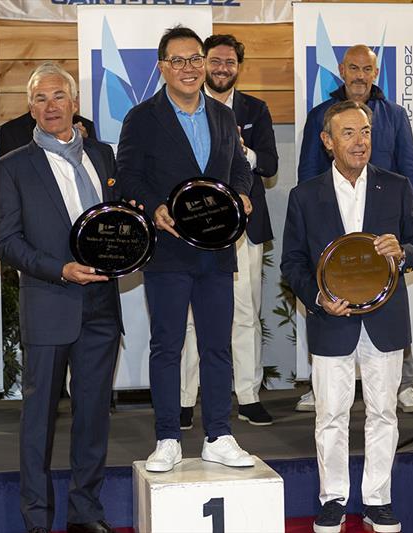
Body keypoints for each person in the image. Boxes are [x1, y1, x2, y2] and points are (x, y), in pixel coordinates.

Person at [281, 101, 413, 533]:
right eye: (348, 133)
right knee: (330, 413)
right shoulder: (305, 196)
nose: (360, 141)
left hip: (384, 320)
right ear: (327, 142)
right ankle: (334, 500)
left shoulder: (397, 186)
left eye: (364, 132)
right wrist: (318, 296)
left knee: (384, 412)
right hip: (332, 319)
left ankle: (378, 499)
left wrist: (403, 254)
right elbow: (292, 264)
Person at [117, 26, 255, 473]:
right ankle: (167, 438)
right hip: (168, 251)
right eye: (178, 60)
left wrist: (241, 195)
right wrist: (154, 207)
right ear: (162, 68)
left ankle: (219, 433)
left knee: (218, 346)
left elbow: (239, 169)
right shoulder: (141, 118)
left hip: (217, 250)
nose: (190, 68)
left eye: (195, 58)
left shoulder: (221, 115)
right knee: (167, 346)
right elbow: (127, 176)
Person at [0, 63, 122, 533]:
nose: (50, 106)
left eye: (58, 97)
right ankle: (37, 520)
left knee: (92, 421)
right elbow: (6, 242)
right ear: (31, 109)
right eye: (40, 99)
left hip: (103, 310)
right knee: (38, 425)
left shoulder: (104, 157)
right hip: (49, 304)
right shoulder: (11, 167)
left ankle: (86, 514)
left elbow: (119, 223)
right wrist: (61, 270)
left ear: (74, 104)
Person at [295, 44, 413, 414]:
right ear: (341, 70)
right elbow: (307, 170)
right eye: (352, 68)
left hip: (383, 231)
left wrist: (403, 221)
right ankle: (319, 383)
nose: (359, 75)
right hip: (333, 229)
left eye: (366, 69)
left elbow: (410, 170)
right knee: (331, 310)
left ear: (375, 72)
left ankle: (404, 384)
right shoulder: (321, 115)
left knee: (390, 308)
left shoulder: (394, 115)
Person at [180, 34, 277, 430]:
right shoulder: (183, 105)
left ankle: (249, 396)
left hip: (242, 228)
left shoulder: (255, 109)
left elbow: (268, 165)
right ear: (202, 64)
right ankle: (185, 400)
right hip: (192, 227)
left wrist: (242, 150)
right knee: (188, 317)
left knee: (245, 314)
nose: (222, 69)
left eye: (229, 63)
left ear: (239, 66)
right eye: (215, 62)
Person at [0, 109, 95, 158]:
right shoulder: (11, 131)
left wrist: (83, 143)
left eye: (58, 97)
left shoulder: (85, 126)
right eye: (43, 98)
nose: (51, 106)